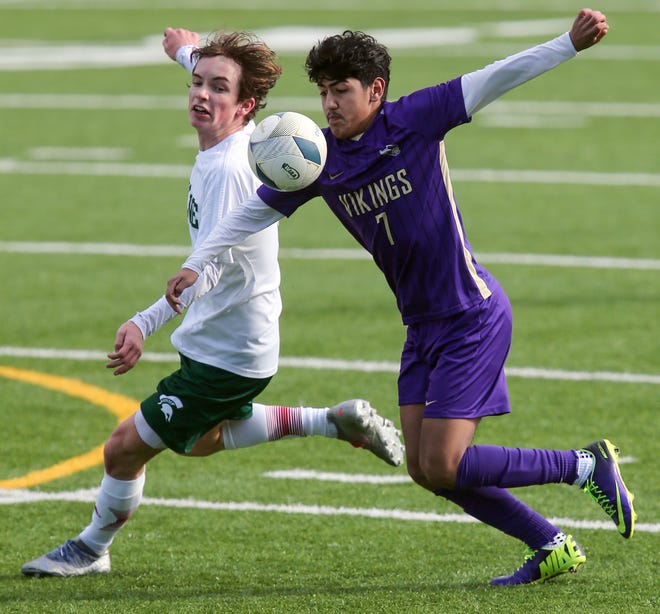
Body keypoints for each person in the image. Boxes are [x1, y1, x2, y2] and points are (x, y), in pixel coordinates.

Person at [163, 10, 637, 586]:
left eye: (341, 91)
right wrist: (195, 264)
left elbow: (497, 76)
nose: (329, 104)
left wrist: (567, 44)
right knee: (425, 470)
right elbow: (249, 213)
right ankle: (550, 543)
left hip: (471, 316)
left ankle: (585, 466)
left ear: (376, 91)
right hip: (421, 329)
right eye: (323, 92)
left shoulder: (414, 119)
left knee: (443, 462)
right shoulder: (316, 159)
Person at [21, 28, 404, 578]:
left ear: (245, 106)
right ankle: (331, 421)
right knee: (200, 440)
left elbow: (207, 270)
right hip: (237, 339)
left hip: (228, 348)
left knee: (122, 449)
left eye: (216, 88)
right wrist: (186, 52)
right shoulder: (233, 138)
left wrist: (142, 321)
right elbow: (217, 80)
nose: (200, 94)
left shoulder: (227, 170)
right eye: (195, 83)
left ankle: (90, 547)